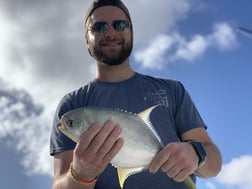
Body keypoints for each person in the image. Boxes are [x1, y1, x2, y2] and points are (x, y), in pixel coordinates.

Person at [50, 0, 222, 188]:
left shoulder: (172, 91)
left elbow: (213, 164)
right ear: (86, 38)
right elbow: (59, 184)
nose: (110, 33)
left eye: (120, 25)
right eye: (99, 27)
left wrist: (196, 154)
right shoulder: (73, 104)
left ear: (131, 32)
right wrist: (80, 174)